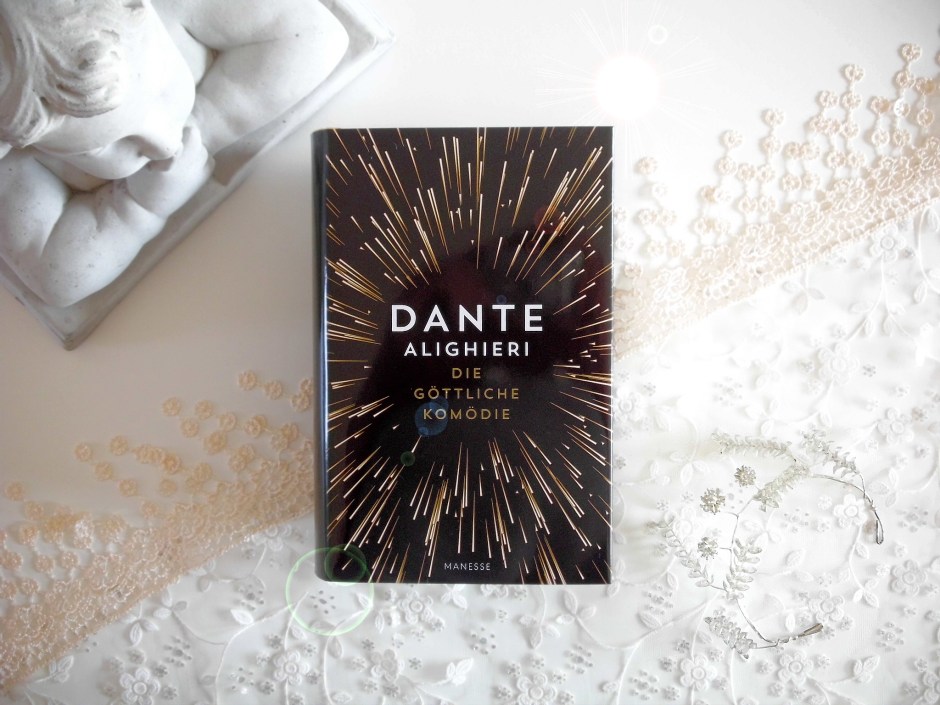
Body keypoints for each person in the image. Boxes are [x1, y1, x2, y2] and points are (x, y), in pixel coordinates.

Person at [0, 0, 347, 307]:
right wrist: (136, 209)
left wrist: (207, 126)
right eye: (103, 146)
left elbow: (315, 34)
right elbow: (57, 279)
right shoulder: (17, 157)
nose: (165, 142)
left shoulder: (162, 7)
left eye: (161, 90)